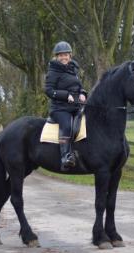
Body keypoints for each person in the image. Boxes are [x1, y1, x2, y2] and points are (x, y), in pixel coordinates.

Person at [45, 41, 87, 170]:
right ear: (57, 57)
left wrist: (82, 93)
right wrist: (65, 95)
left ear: (70, 56)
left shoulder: (73, 69)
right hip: (59, 108)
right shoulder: (53, 71)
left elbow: (79, 86)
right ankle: (65, 156)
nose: (64, 58)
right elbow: (49, 90)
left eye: (66, 55)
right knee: (67, 125)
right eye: (61, 55)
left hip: (75, 106)